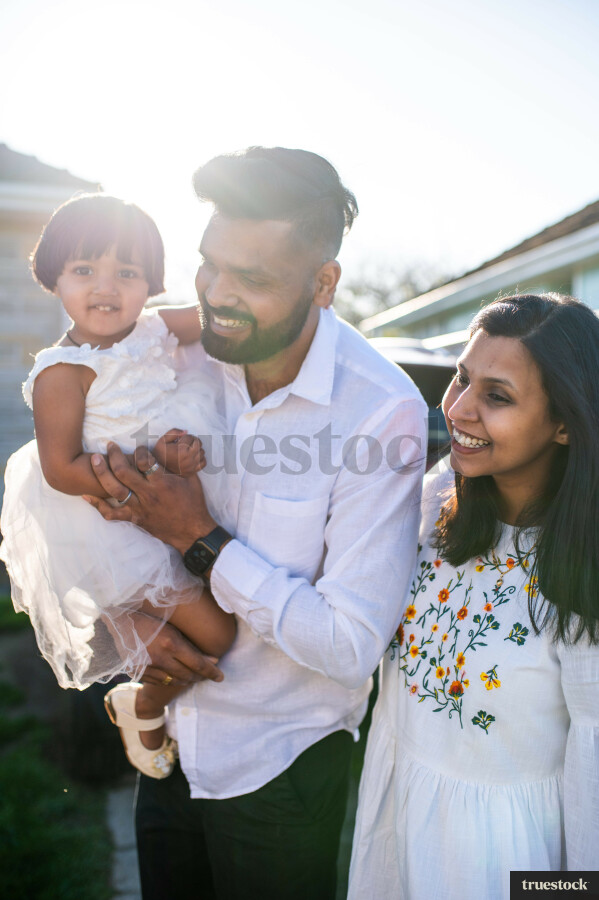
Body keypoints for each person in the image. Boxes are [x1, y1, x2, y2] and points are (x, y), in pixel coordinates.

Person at [85, 146, 428, 900]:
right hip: (169, 748)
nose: (217, 294)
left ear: (324, 283)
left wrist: (199, 539)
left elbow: (348, 645)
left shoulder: (379, 410)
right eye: (210, 265)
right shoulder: (180, 353)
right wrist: (133, 615)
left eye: (254, 279)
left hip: (281, 768)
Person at [348, 293, 599, 900]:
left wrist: (556, 891)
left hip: (502, 868)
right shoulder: (435, 502)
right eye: (462, 377)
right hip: (392, 832)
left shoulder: (583, 577)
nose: (458, 409)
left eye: (498, 396)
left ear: (566, 422)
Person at [0, 194, 236, 780]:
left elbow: (219, 320)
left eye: (127, 273)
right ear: (52, 277)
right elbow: (61, 466)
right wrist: (152, 473)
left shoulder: (157, 327)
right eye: (84, 270)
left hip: (157, 503)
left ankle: (145, 696)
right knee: (219, 633)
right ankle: (142, 703)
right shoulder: (63, 369)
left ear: (151, 284)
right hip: (109, 522)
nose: (106, 287)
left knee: (202, 630)